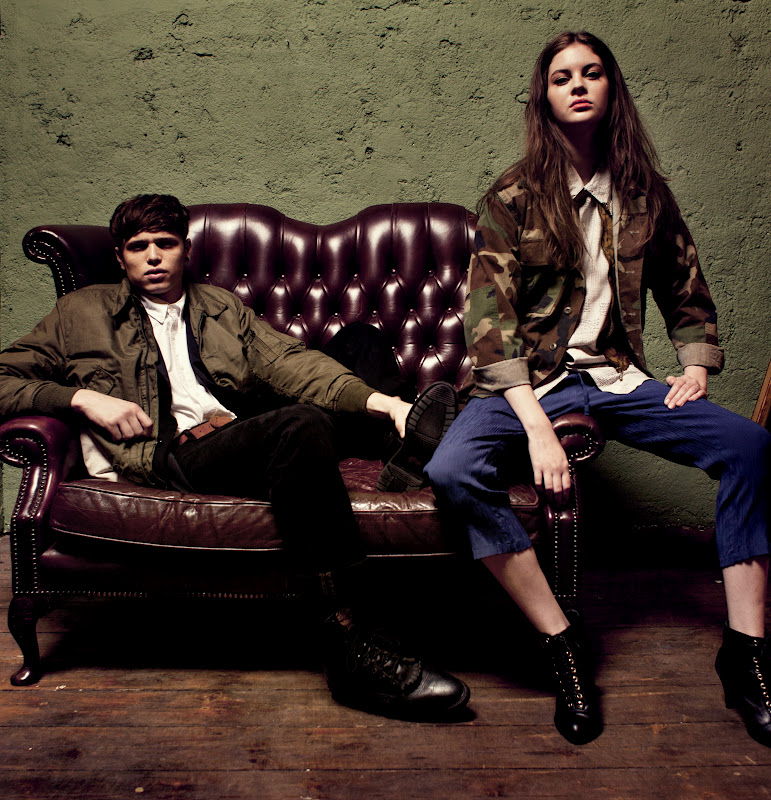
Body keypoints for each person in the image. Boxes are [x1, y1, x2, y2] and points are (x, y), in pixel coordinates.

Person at [0, 193, 469, 721]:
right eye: (138, 247)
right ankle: (349, 642)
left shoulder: (219, 307)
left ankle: (401, 444)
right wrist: (82, 398)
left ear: (186, 250)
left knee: (359, 340)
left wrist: (388, 404)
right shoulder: (80, 313)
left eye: (165, 243)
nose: (152, 256)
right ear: (119, 257)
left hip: (244, 430)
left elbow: (287, 361)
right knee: (301, 424)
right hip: (175, 455)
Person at [426, 31, 770, 746]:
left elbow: (684, 287)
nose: (577, 85)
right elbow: (489, 327)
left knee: (750, 448)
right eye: (562, 77)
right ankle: (562, 642)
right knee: (452, 469)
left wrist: (695, 366)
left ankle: (745, 654)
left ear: (611, 89)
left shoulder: (645, 194)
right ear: (544, 98)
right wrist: (537, 429)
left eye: (591, 73)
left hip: (615, 378)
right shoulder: (512, 197)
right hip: (529, 386)